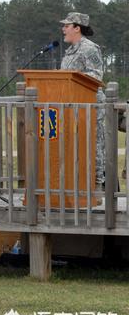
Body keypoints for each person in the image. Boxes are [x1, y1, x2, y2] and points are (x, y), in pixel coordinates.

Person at [60, 12, 105, 187]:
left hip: (89, 104)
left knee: (94, 144)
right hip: (71, 106)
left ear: (77, 28)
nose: (63, 29)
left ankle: (97, 185)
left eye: (67, 25)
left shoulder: (90, 48)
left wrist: (74, 77)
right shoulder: (70, 51)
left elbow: (96, 74)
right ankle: (76, 182)